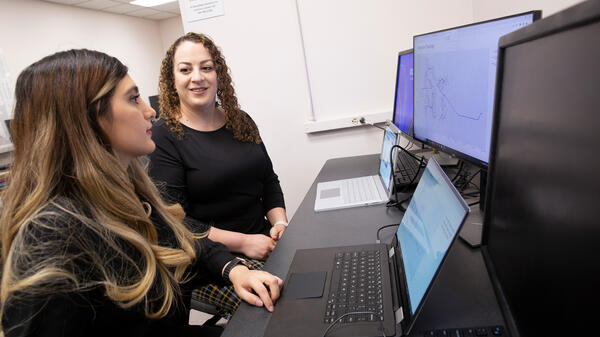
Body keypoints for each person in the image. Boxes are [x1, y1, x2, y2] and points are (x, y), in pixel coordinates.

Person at [0, 49, 282, 337]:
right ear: (87, 118)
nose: (150, 111)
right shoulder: (52, 235)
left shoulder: (129, 195)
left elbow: (184, 238)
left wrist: (234, 269)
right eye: (134, 99)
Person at [149, 33, 288, 317]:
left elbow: (268, 181)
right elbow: (177, 221)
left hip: (265, 241)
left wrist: (280, 223)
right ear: (172, 80)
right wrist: (246, 243)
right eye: (185, 69)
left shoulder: (241, 120)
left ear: (218, 74)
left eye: (206, 67)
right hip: (209, 261)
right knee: (280, 309)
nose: (197, 77)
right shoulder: (164, 136)